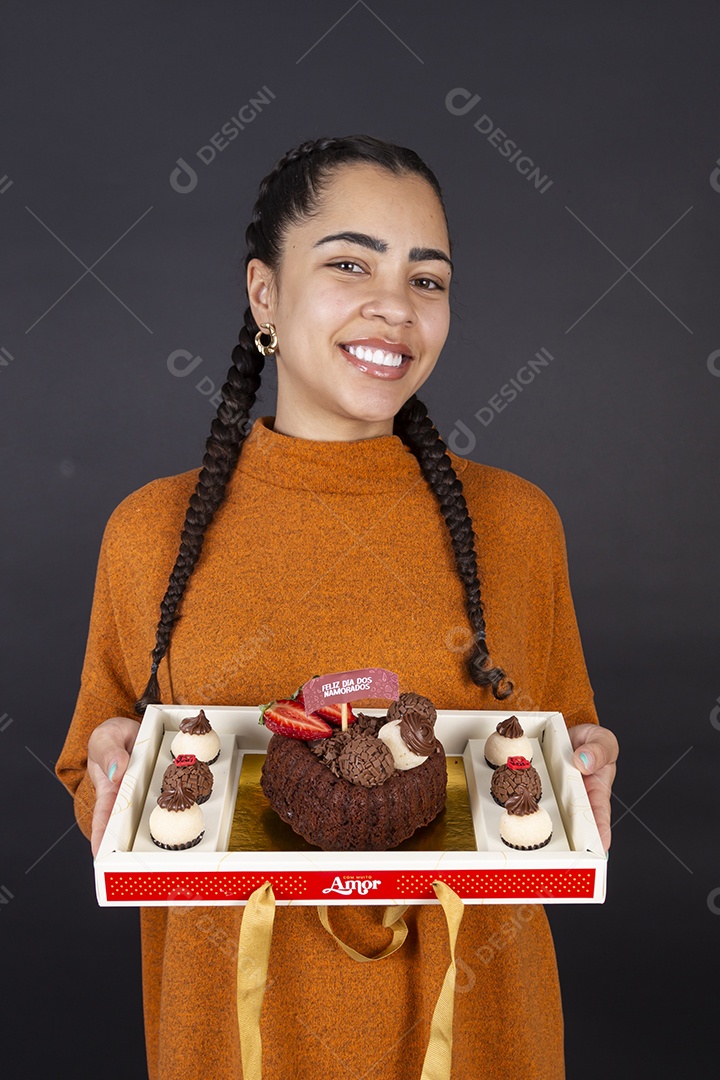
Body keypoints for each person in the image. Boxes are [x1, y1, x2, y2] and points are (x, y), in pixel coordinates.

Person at [57, 135, 618, 1080]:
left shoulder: (519, 524)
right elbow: (91, 764)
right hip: (237, 1039)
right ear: (265, 295)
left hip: (477, 1035)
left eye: (427, 279)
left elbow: (565, 739)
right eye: (350, 263)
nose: (395, 307)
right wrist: (110, 777)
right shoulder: (150, 532)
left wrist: (588, 769)